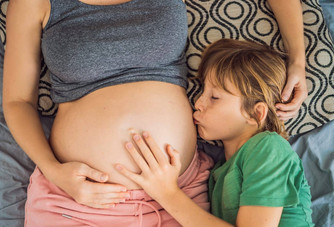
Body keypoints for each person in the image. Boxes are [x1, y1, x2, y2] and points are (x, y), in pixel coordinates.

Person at [2, 0, 307, 225]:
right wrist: (55, 171)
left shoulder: (265, 153)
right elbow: (17, 102)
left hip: (179, 196)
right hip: (77, 199)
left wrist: (297, 61)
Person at [116, 39, 314, 226]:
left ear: (255, 113)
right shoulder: (219, 169)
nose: (198, 103)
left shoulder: (269, 147)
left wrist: (168, 194)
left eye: (215, 97)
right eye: (203, 92)